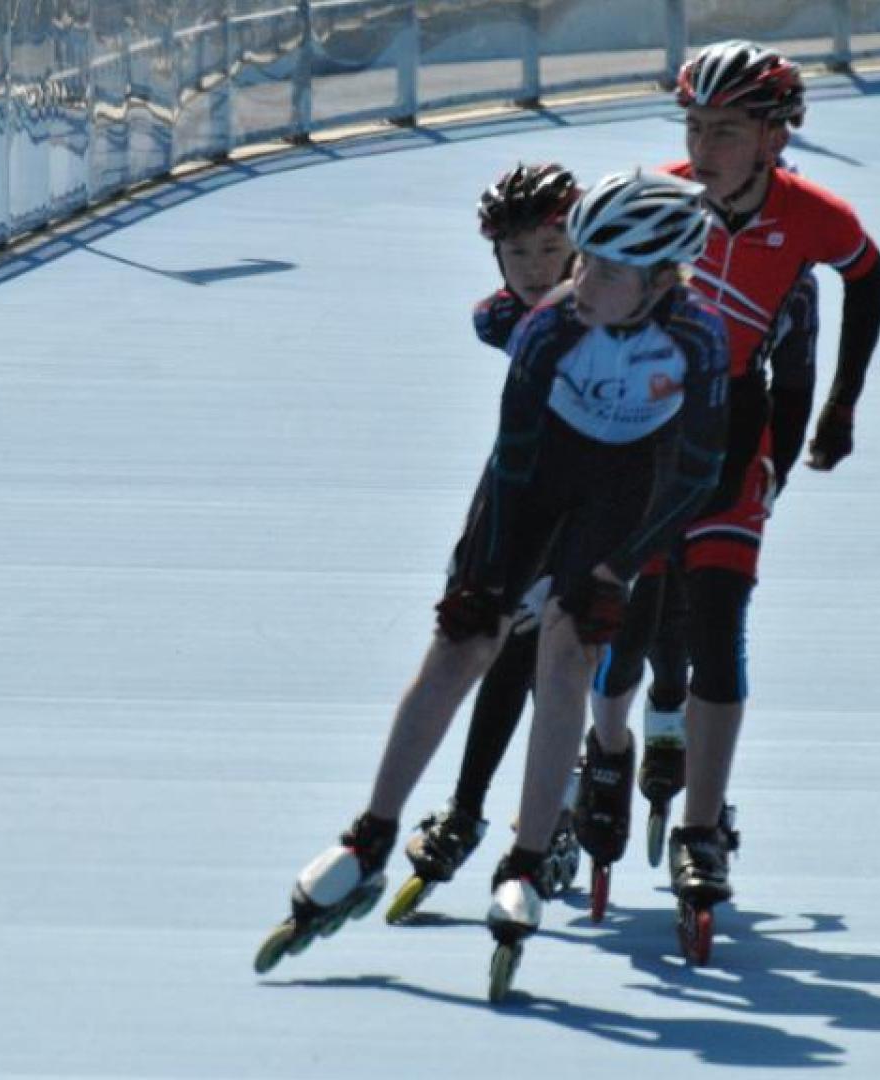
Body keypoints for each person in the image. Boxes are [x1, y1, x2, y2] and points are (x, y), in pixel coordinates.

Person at [255, 169, 728, 981]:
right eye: (584, 260)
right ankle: (369, 837)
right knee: (462, 642)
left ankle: (528, 861)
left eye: (605, 269)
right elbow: (512, 465)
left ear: (659, 281)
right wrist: (487, 584)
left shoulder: (698, 339)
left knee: (569, 652)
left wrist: (615, 568)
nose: (580, 281)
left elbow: (696, 476)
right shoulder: (550, 328)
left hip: (626, 488)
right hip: (537, 474)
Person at [579, 40, 880, 929]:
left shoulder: (815, 214)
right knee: (625, 622)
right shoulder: (657, 197)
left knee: (717, 625)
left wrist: (842, 406)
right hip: (641, 435)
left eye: (725, 130)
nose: (703, 146)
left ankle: (702, 829)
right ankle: (608, 750)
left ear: (774, 136)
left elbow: (870, 279)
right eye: (694, 127)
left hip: (733, 433)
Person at [387, 163, 583, 921]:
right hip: (520, 482)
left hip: (604, 491)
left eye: (550, 249)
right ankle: (469, 808)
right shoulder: (497, 318)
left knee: (559, 652)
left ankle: (556, 805)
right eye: (517, 254)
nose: (534, 269)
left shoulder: (617, 309)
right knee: (492, 638)